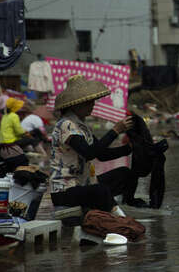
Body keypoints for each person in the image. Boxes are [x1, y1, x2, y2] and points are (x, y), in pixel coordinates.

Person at [49, 74, 137, 214]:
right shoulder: (66, 125)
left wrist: (129, 149)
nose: (92, 105)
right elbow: (89, 153)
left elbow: (102, 154)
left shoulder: (82, 126)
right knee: (100, 190)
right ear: (76, 104)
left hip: (84, 183)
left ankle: (126, 204)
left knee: (125, 174)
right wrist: (115, 131)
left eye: (92, 101)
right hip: (65, 190)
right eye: (88, 102)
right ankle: (120, 216)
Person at [0, 97, 39, 171]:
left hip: (3, 142)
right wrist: (26, 133)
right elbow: (19, 131)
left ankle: (32, 154)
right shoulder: (14, 116)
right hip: (11, 142)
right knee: (32, 139)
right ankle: (42, 155)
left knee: (27, 140)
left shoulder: (5, 116)